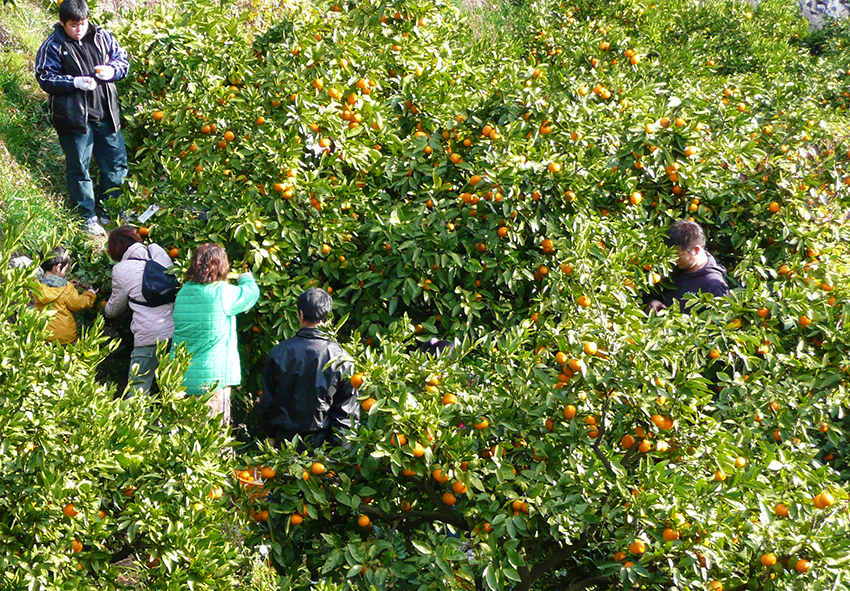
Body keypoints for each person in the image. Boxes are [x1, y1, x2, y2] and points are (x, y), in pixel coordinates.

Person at [34, 0, 130, 237]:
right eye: (73, 25)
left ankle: (112, 211)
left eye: (83, 23)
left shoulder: (102, 37)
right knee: (79, 167)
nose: (79, 29)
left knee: (116, 164)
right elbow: (45, 77)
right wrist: (73, 82)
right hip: (74, 118)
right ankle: (86, 215)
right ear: (63, 23)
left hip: (106, 113)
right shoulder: (54, 45)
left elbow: (123, 61)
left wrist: (113, 71)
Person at [255, 288, 360, 450]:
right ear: (327, 317)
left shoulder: (279, 352)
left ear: (301, 314)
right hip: (323, 447)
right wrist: (339, 453)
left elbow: (267, 403)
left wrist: (271, 434)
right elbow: (346, 415)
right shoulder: (341, 358)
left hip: (285, 445)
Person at [171, 244, 259, 422]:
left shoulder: (184, 292)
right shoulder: (222, 292)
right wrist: (246, 278)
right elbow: (250, 294)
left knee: (184, 440)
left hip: (182, 378)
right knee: (213, 441)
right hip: (212, 382)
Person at [103, 226, 175, 395]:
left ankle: (136, 421)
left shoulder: (121, 269)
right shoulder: (159, 252)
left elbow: (114, 309)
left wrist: (103, 312)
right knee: (171, 391)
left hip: (148, 337)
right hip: (175, 331)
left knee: (137, 390)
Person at [644, 220, 729, 313]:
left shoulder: (713, 286)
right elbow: (646, 292)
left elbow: (718, 322)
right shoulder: (670, 267)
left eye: (678, 255)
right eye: (671, 255)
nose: (674, 259)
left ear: (696, 250)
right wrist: (651, 301)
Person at [32, 246, 97, 344]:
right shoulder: (65, 288)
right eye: (65, 269)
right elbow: (78, 304)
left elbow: (51, 289)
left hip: (42, 334)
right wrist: (90, 294)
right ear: (57, 268)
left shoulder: (36, 284)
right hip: (63, 337)